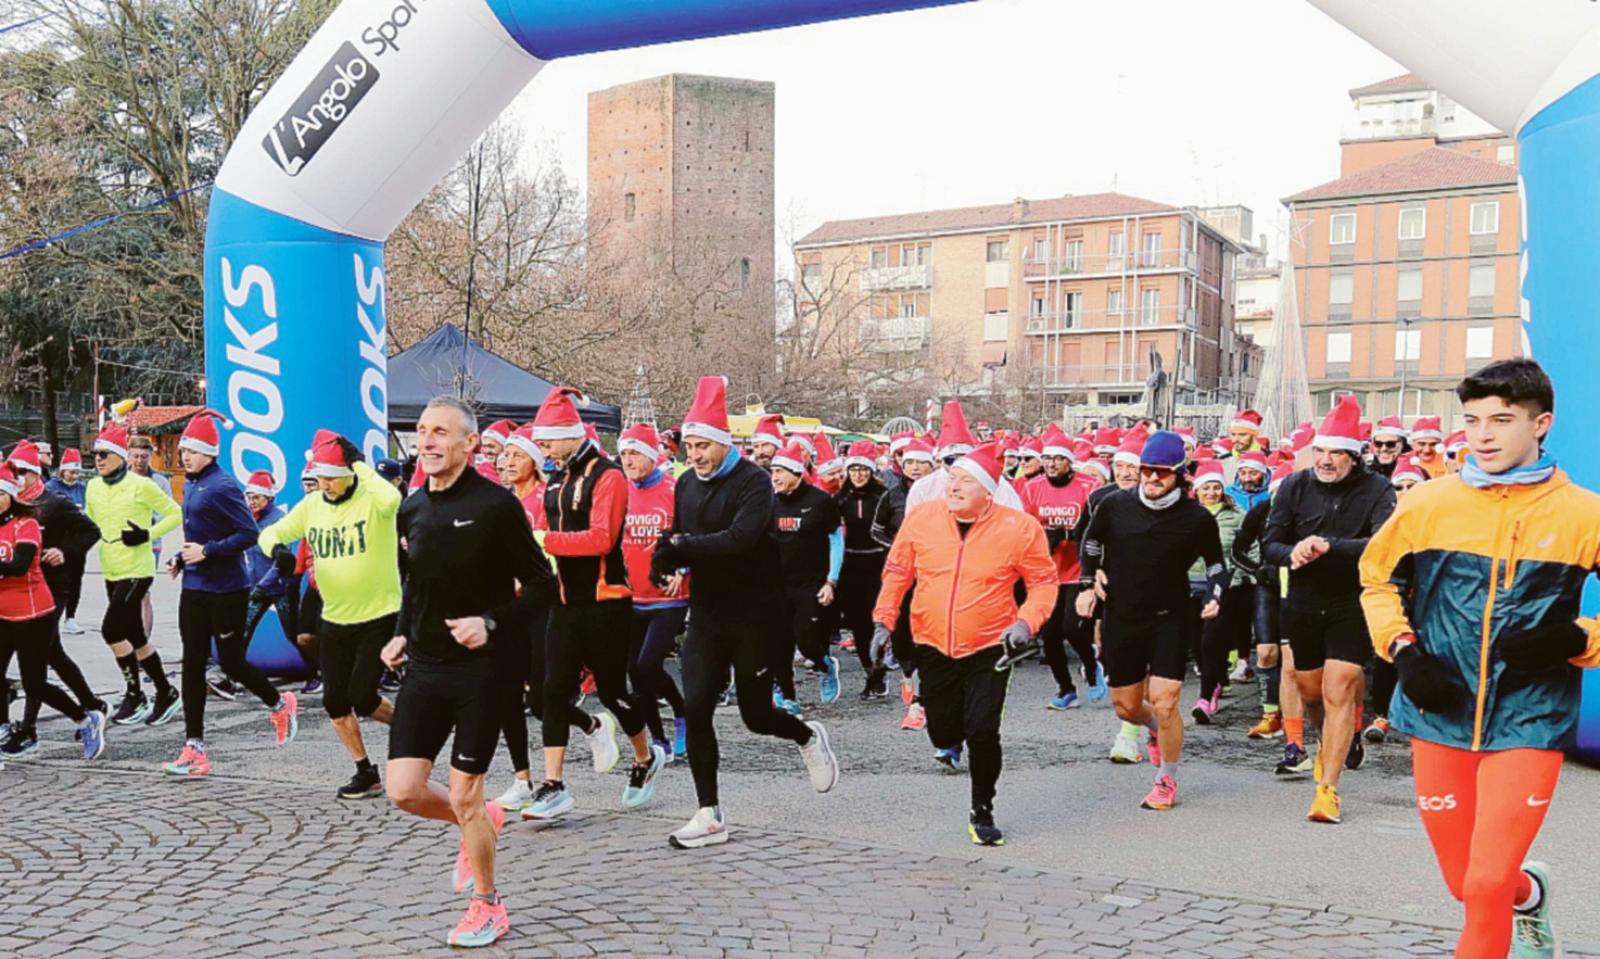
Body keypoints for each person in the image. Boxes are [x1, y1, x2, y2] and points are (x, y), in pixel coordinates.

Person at [1360, 358, 1599, 959]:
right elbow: (1376, 581)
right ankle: (1530, 895)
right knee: (1465, 884)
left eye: (1502, 420)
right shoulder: (1427, 503)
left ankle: (1508, 897)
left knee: (1485, 881)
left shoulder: (1584, 513)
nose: (1483, 435)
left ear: (1540, 424)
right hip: (1437, 709)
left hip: (1531, 714)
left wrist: (1575, 638)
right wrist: (1404, 652)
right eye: (1472, 420)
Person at [380, 396, 556, 949]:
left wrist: (491, 622)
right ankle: (481, 823)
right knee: (403, 790)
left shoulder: (496, 506)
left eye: (440, 433)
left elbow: (546, 587)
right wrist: (403, 630)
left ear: (469, 444)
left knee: (465, 794)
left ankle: (487, 903)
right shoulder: (410, 508)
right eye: (423, 432)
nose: (427, 441)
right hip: (427, 666)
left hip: (485, 669)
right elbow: (414, 585)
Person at [651, 376, 840, 849]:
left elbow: (740, 540)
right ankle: (709, 813)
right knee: (696, 708)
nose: (691, 455)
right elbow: (679, 532)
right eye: (687, 446)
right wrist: (666, 560)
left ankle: (806, 736)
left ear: (722, 444)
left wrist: (682, 547)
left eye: (700, 446)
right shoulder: (686, 484)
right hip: (708, 613)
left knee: (756, 715)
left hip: (758, 614)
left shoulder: (754, 483)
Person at [873, 443, 1056, 845]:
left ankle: (982, 809)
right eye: (952, 478)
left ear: (987, 492)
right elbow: (898, 571)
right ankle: (947, 737)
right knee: (942, 732)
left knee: (983, 730)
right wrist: (883, 623)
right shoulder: (922, 518)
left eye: (965, 481)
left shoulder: (1020, 528)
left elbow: (1044, 583)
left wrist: (1026, 623)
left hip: (992, 644)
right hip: (933, 642)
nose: (953, 487)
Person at [520, 389, 665, 821]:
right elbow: (542, 528)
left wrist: (546, 541)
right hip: (563, 601)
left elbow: (602, 538)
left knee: (613, 692)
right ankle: (553, 785)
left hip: (608, 600)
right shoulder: (556, 477)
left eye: (547, 441)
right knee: (551, 692)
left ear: (568, 436)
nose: (541, 449)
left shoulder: (609, 476)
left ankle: (645, 757)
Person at [1262, 395, 1395, 824]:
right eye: (1320, 450)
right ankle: (1333, 740)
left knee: (1340, 687)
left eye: (1336, 452)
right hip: (1302, 601)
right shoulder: (1295, 486)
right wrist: (1294, 552)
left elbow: (1382, 546)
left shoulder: (1378, 490)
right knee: (1311, 693)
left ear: (1354, 456)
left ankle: (1328, 789)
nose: (1325, 459)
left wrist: (1329, 546)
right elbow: (1269, 545)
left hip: (1351, 601)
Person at [1076, 431, 1226, 810]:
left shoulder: (1196, 518)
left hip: (1170, 617)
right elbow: (1091, 544)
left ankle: (1166, 780)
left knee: (1165, 700)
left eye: (1161, 472)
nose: (1152, 479)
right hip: (1122, 616)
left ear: (1180, 474)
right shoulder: (1114, 505)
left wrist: (1215, 595)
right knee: (1127, 707)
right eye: (1146, 471)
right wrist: (1087, 580)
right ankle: (1157, 731)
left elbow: (1217, 566)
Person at [259, 429, 403, 800]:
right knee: (335, 702)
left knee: (364, 696)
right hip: (335, 618)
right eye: (317, 478)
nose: (322, 485)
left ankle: (411, 732)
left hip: (379, 613)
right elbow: (268, 533)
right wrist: (277, 550)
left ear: (348, 474)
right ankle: (365, 771)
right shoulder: (312, 506)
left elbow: (393, 499)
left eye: (328, 478)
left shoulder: (373, 498)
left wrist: (358, 463)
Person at [160, 413, 297, 776]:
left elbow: (248, 534)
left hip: (227, 589)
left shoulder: (223, 486)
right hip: (194, 586)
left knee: (231, 662)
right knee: (192, 663)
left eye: (192, 450)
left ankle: (280, 702)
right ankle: (195, 748)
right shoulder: (190, 484)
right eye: (183, 450)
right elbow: (198, 534)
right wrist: (180, 557)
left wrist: (207, 552)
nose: (185, 456)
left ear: (210, 453)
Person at [0, 444, 103, 757]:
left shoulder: (41, 512)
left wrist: (66, 552)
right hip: (6, 610)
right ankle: (11, 728)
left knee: (37, 676)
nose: (18, 480)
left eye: (22, 475)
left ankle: (84, 717)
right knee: (47, 659)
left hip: (40, 601)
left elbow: (19, 565)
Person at [83, 424, 182, 725]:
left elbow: (176, 514)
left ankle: (135, 693)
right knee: (135, 635)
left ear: (119, 456)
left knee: (111, 630)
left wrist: (147, 535)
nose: (98, 459)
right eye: (95, 454)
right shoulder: (93, 487)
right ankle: (165, 692)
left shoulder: (143, 485)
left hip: (138, 569)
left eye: (104, 454)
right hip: (110, 567)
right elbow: (90, 523)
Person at [617, 423, 690, 763]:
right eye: (623, 454)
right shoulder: (619, 491)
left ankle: (681, 711)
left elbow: (693, 536)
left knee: (648, 665)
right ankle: (657, 740)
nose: (628, 461)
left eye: (634, 453)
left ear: (650, 456)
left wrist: (684, 569)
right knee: (635, 672)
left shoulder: (674, 490)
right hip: (632, 596)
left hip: (669, 596)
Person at [1021, 424, 1104, 709]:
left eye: (1058, 458)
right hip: (1046, 571)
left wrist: (1069, 535)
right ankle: (1065, 689)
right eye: (1047, 458)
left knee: (1072, 628)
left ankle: (1092, 668)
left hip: (1078, 569)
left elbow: (1097, 528)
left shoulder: (1088, 486)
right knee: (1049, 635)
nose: (1051, 464)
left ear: (1070, 461)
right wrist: (1044, 538)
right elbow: (1025, 527)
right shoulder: (1032, 488)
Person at [766, 441, 843, 712]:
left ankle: (824, 665)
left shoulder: (820, 501)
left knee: (807, 642)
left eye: (781, 471)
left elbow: (836, 540)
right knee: (778, 643)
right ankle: (787, 696)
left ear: (797, 473)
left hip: (812, 584)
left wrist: (831, 580)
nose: (774, 476)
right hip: (777, 584)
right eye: (773, 470)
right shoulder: (769, 501)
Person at [872, 437, 935, 731]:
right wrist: (900, 545)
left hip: (933, 573)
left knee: (926, 629)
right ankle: (907, 672)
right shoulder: (892, 495)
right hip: (901, 569)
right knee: (902, 630)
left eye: (921, 462)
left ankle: (920, 700)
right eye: (909, 462)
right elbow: (877, 530)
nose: (915, 468)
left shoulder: (945, 492)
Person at [1362, 459, 1426, 746]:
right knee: (1387, 655)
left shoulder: (1441, 521)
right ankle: (1382, 715)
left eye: (1412, 486)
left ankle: (1425, 715)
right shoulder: (1382, 522)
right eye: (1399, 487)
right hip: (1393, 600)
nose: (1405, 492)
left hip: (1432, 603)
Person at [1187, 461, 1246, 724]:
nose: (1211, 493)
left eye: (1216, 488)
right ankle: (1217, 676)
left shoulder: (1236, 515)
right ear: (1196, 490)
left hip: (1223, 585)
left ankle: (1205, 697)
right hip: (1188, 582)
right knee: (1196, 641)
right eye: (1206, 488)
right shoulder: (1185, 514)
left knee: (1211, 640)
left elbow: (1248, 548)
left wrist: (1240, 577)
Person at [837, 440, 889, 699]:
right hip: (850, 566)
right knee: (858, 626)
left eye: (863, 469)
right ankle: (871, 673)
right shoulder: (840, 498)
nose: (858, 474)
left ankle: (881, 668)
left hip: (878, 565)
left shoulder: (883, 497)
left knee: (876, 621)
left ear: (871, 471)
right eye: (854, 469)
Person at [906, 401, 1025, 513]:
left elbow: (1015, 520)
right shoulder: (924, 487)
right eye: (950, 459)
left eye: (963, 459)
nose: (956, 465)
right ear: (940, 460)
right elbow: (912, 528)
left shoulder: (994, 484)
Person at [127, 434, 173, 643]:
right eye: (135, 456)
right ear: (128, 456)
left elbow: (168, 514)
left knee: (142, 593)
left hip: (148, 544)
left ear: (150, 456)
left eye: (143, 457)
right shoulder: (118, 479)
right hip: (120, 546)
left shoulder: (159, 482)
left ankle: (143, 642)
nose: (139, 461)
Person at [43, 448, 88, 635]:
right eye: (71, 472)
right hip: (57, 540)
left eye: (77, 472)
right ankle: (52, 616)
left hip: (76, 539)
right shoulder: (52, 487)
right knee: (56, 581)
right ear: (62, 471)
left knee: (75, 580)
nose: (74, 475)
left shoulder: (83, 488)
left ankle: (71, 617)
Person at [1408, 415, 1448, 480]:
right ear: (1413, 444)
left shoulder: (1448, 461)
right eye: (1422, 444)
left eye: (1433, 444)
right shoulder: (1402, 462)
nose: (1427, 450)